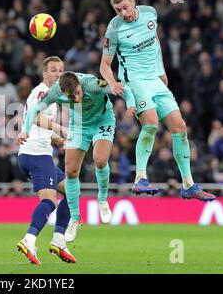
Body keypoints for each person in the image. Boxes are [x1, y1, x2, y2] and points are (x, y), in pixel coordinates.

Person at [99, 0, 215, 201]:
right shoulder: (114, 29)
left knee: (179, 127)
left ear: (133, 1)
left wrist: (161, 70)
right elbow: (104, 65)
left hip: (154, 78)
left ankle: (188, 184)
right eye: (118, 10)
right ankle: (140, 179)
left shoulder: (150, 13)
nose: (123, 13)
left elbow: (155, 42)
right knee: (151, 123)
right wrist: (113, 82)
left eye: (125, 7)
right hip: (134, 79)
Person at [17, 71, 136, 243]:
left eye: (78, 94)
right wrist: (25, 130)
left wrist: (130, 104)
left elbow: (122, 88)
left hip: (102, 121)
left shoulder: (93, 84)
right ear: (63, 92)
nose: (77, 99)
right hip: (79, 125)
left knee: (100, 160)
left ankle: (102, 200)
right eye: (71, 98)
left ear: (80, 86)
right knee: (71, 171)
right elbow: (35, 109)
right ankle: (75, 218)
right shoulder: (56, 91)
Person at [16, 56, 75, 264]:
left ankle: (58, 240)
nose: (58, 74)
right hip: (36, 155)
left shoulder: (52, 94)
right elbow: (37, 117)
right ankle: (29, 240)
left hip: (38, 153)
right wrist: (61, 129)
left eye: (61, 70)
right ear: (45, 74)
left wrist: (55, 138)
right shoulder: (42, 91)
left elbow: (36, 126)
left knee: (71, 191)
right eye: (53, 70)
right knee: (49, 200)